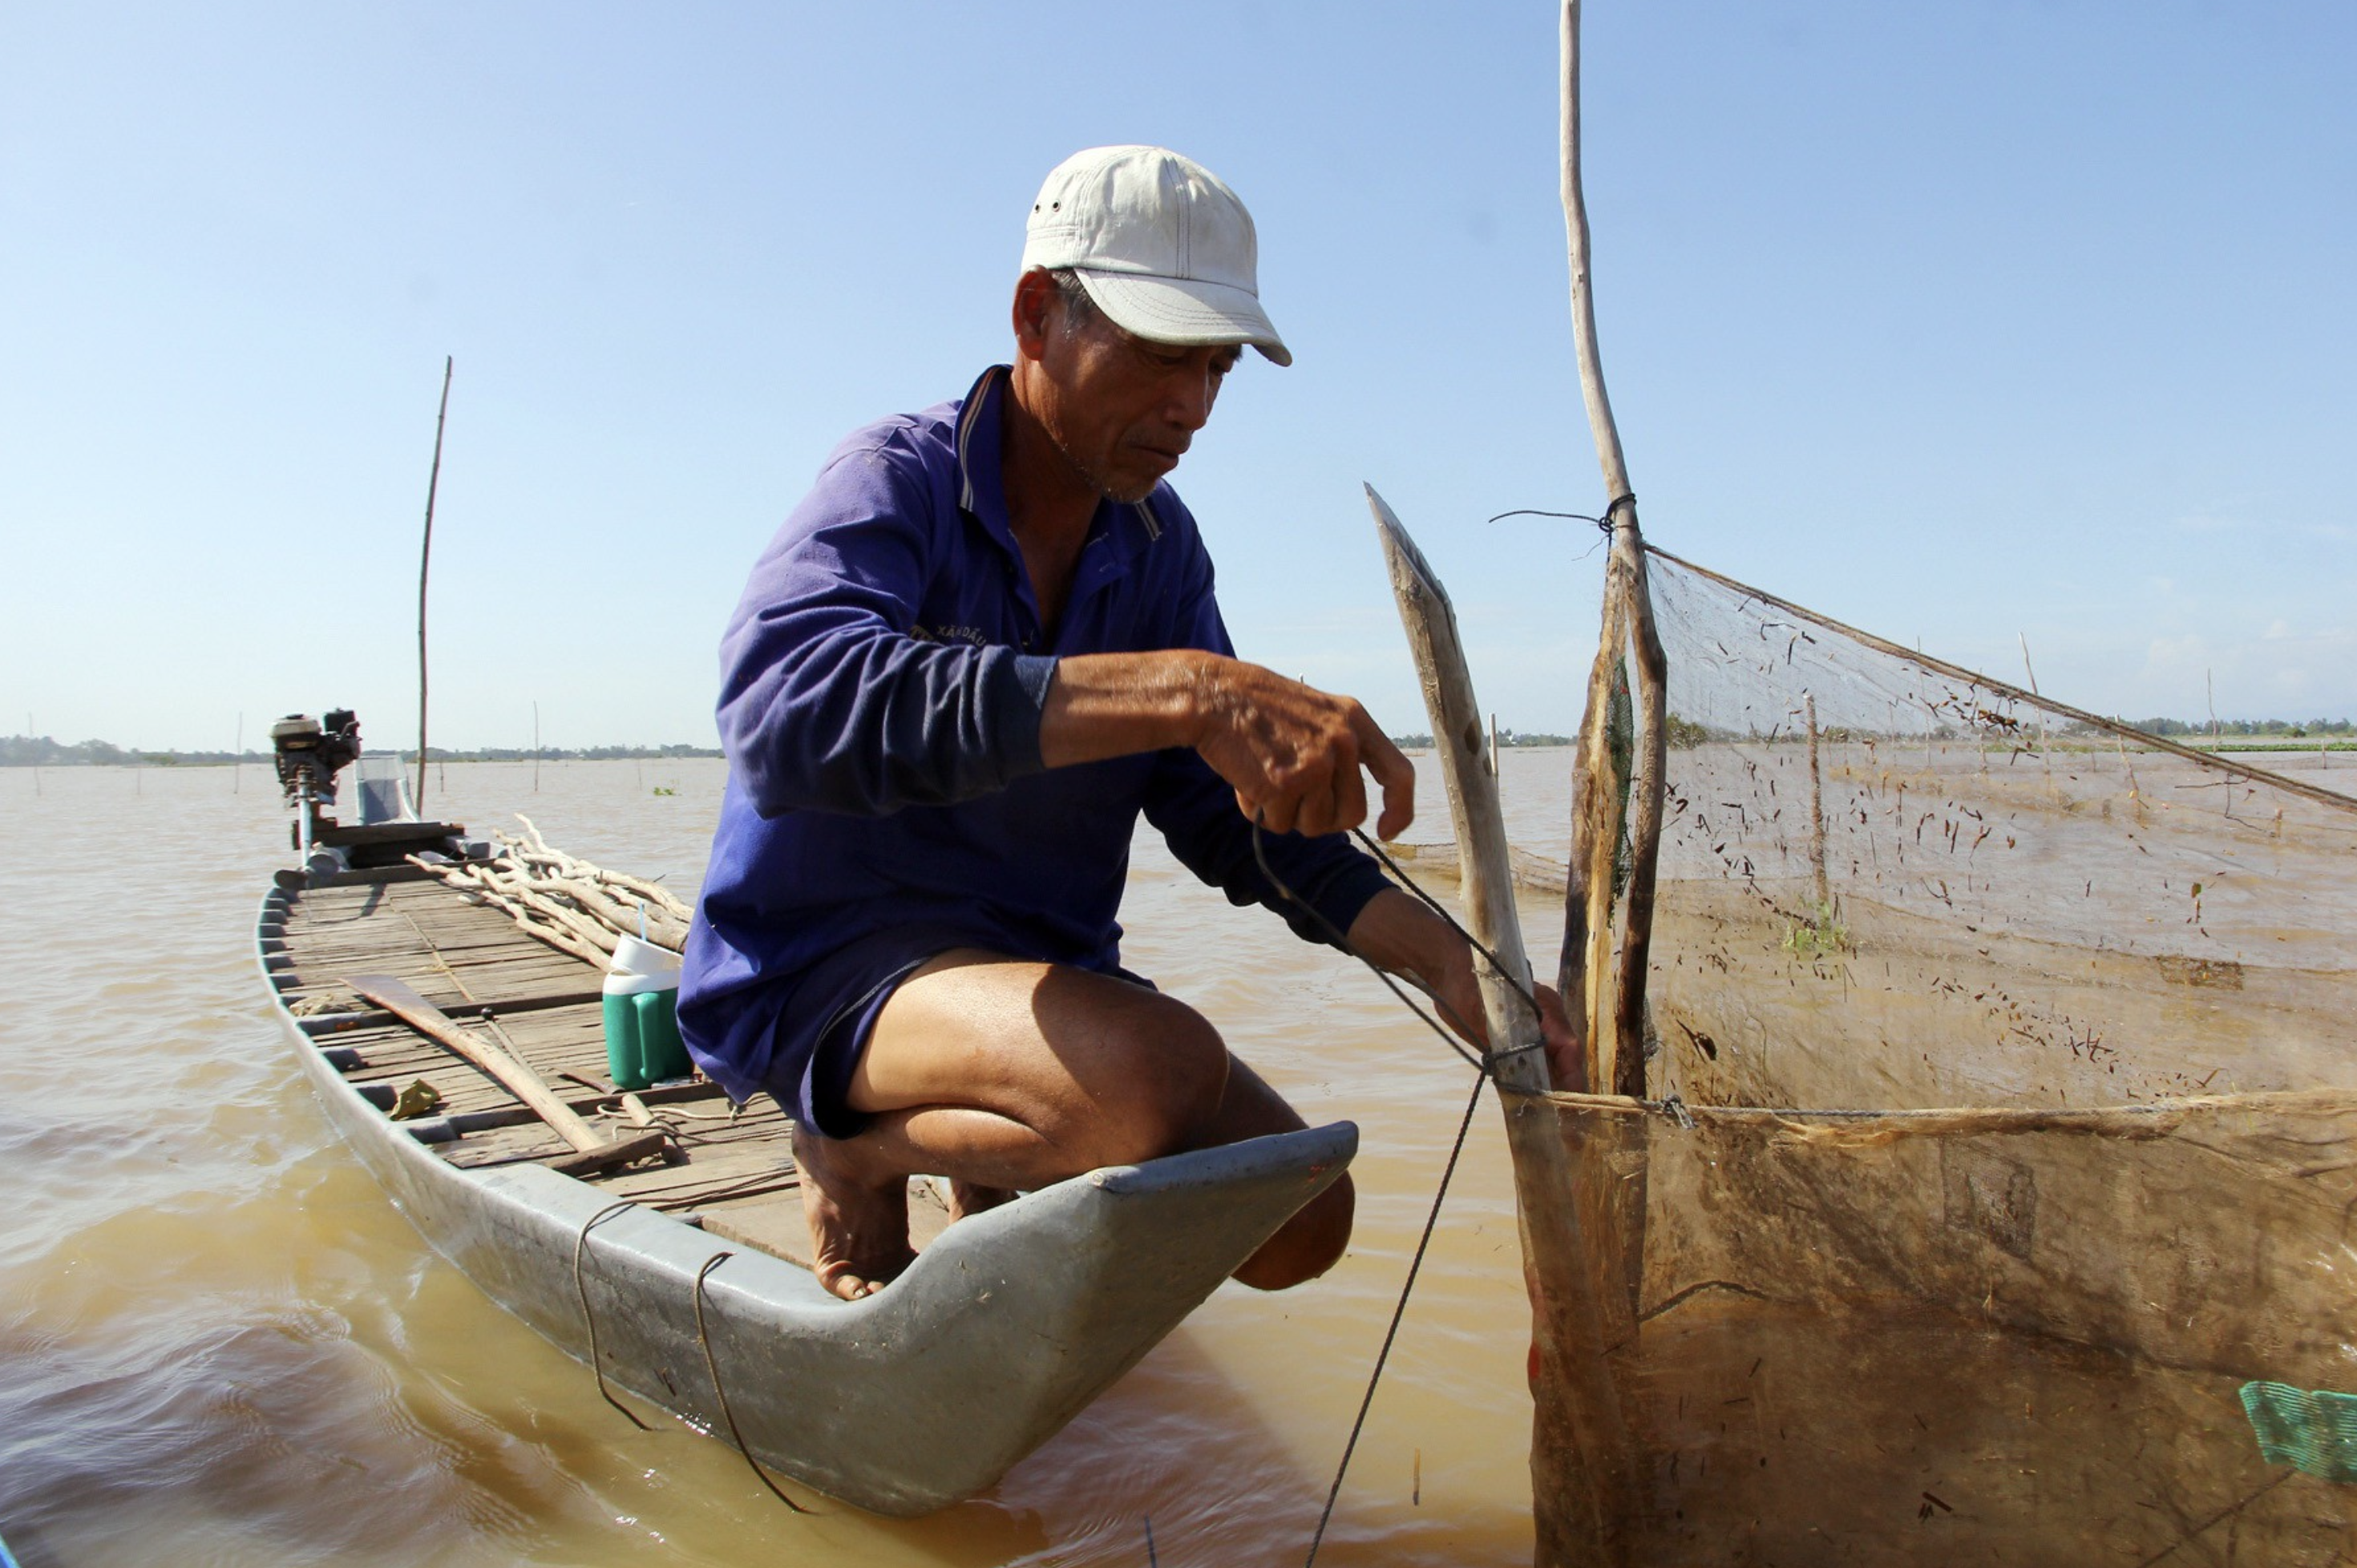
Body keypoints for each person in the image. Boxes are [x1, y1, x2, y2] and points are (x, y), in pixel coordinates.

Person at [681, 145, 1523, 1302]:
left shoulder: (1159, 551)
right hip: (828, 975)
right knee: (1155, 1071)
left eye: (1217, 366)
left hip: (1032, 978)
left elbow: (1230, 821)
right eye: (1161, 354)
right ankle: (852, 1145)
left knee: (1298, 1214)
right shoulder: (898, 483)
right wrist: (1185, 691)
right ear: (1038, 316)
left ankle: (971, 1158)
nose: (1193, 407)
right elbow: (786, 710)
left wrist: (1447, 965)